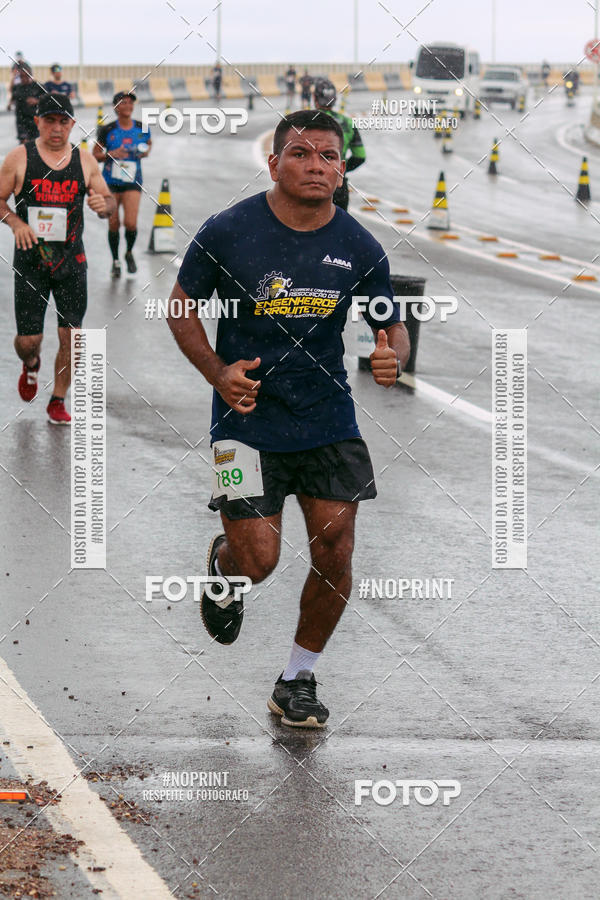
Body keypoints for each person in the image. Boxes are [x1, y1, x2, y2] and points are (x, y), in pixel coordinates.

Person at [166, 109, 409, 728]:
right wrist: (217, 372)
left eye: (328, 156)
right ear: (273, 163)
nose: (316, 166)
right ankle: (225, 564)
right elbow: (180, 307)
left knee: (336, 546)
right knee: (259, 562)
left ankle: (298, 678)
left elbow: (391, 324)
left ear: (342, 169)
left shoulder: (358, 245)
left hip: (328, 420)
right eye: (301, 154)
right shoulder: (229, 231)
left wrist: (393, 356)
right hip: (243, 424)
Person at [0, 94, 115, 424]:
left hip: (72, 262)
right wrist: (16, 223)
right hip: (31, 262)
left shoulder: (85, 161)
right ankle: (31, 363)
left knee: (72, 336)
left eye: (63, 122)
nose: (56, 128)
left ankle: (58, 399)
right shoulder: (19, 158)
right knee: (28, 341)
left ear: (72, 124)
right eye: (49, 120)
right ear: (38, 122)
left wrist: (104, 207)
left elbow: (108, 202)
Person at [93, 90, 151, 276]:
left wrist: (145, 151)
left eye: (130, 103)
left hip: (133, 180)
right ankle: (115, 260)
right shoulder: (107, 129)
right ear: (115, 107)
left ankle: (128, 253)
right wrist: (111, 154)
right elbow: (95, 154)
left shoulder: (142, 127)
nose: (127, 106)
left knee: (131, 223)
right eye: (123, 102)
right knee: (114, 224)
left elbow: (148, 143)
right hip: (111, 181)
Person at [313, 78, 365, 211]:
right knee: (338, 223)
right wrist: (340, 170)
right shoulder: (348, 122)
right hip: (338, 185)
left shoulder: (306, 121)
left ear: (315, 98)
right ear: (334, 99)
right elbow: (360, 156)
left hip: (312, 184)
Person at [10, 64, 43, 143]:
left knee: (36, 144)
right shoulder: (17, 87)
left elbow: (48, 100)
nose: (24, 78)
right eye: (21, 76)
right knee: (24, 145)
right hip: (21, 121)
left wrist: (36, 101)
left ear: (30, 75)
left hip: (35, 121)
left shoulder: (38, 86)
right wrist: (9, 105)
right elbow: (12, 99)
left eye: (26, 76)